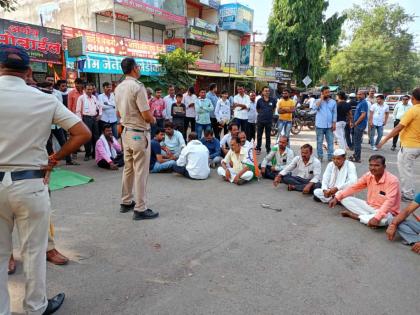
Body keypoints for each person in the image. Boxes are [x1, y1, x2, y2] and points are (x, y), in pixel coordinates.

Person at [0, 44, 91, 315]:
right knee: (34, 252)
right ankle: (35, 307)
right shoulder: (45, 98)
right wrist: (54, 158)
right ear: (29, 72)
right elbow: (82, 133)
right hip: (30, 183)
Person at [115, 57, 159, 220]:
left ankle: (126, 201)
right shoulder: (137, 87)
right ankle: (140, 208)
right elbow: (146, 115)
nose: (140, 69)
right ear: (134, 68)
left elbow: (118, 113)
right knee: (141, 171)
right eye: (138, 67)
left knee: (128, 168)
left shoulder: (118, 88)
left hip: (126, 132)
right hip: (139, 133)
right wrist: (154, 120)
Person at [329, 155, 400, 227]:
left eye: (377, 165)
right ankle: (367, 217)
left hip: (387, 211)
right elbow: (354, 187)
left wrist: (377, 218)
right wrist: (336, 198)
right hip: (370, 206)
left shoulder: (392, 180)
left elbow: (389, 202)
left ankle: (358, 216)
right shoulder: (369, 176)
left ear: (384, 166)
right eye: (371, 165)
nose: (373, 168)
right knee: (344, 198)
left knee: (385, 220)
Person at [377, 87, 420, 201]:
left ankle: (408, 194)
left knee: (406, 170)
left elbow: (398, 127)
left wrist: (384, 140)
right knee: (408, 169)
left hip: (409, 145)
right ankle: (408, 192)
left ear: (412, 98)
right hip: (416, 145)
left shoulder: (413, 110)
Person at [76, 82, 102, 161]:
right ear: (84, 89)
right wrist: (80, 121)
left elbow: (100, 106)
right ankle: (87, 154)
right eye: (88, 89)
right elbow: (78, 111)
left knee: (96, 137)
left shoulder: (94, 97)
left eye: (91, 89)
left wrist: (100, 115)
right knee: (87, 137)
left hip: (94, 119)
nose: (90, 91)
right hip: (86, 119)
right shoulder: (81, 98)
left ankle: (95, 153)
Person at [312, 86, 337, 161]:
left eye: (328, 92)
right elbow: (314, 108)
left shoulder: (333, 102)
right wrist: (321, 99)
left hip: (329, 126)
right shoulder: (317, 101)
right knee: (319, 142)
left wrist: (334, 123)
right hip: (319, 125)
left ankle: (330, 157)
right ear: (322, 93)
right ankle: (320, 157)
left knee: (330, 142)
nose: (328, 94)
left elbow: (334, 113)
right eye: (326, 92)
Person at [349, 90, 369, 163]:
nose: (359, 95)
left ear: (364, 95)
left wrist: (356, 123)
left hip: (359, 125)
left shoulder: (364, 103)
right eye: (358, 94)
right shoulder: (359, 102)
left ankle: (357, 158)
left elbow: (363, 115)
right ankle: (355, 155)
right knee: (355, 141)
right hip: (357, 124)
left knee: (357, 142)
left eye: (361, 94)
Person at [256, 86, 275, 154]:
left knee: (268, 136)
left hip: (269, 121)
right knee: (259, 135)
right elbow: (257, 109)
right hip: (260, 121)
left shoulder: (273, 100)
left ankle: (268, 149)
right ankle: (258, 148)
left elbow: (273, 109)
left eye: (268, 91)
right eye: (265, 91)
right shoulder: (259, 101)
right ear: (263, 92)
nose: (267, 92)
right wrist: (262, 114)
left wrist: (269, 114)